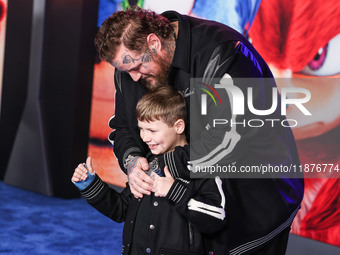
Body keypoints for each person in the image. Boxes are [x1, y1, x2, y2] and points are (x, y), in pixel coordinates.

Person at [94, 7, 304, 254]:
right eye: (125, 71)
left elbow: (234, 140)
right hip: (196, 207)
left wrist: (164, 163)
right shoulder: (131, 72)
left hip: (257, 201)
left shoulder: (223, 51)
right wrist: (132, 161)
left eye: (138, 66)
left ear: (154, 43)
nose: (134, 78)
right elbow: (123, 127)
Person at [71, 86, 228, 254]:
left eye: (152, 130)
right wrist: (91, 185)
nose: (144, 138)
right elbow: (121, 209)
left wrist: (174, 191)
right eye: (141, 129)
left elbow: (216, 218)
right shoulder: (148, 162)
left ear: (179, 126)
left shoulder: (202, 164)